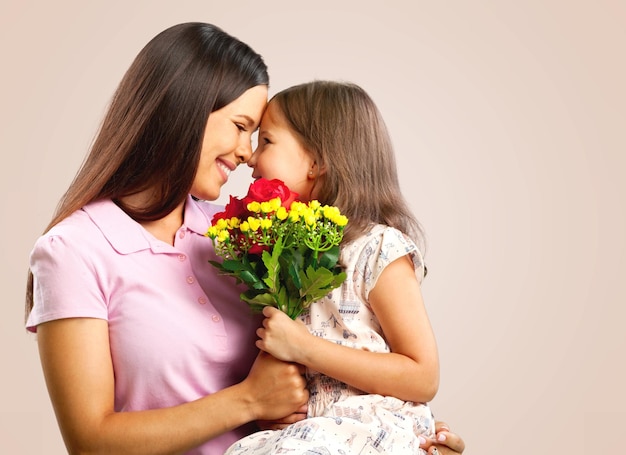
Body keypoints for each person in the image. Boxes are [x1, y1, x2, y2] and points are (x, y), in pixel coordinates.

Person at [24, 22, 465, 455]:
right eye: (240, 126)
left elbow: (341, 356)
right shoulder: (73, 251)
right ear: (186, 110)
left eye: (257, 137)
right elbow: (90, 442)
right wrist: (248, 401)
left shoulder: (246, 235)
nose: (245, 154)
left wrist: (400, 433)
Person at [224, 80, 448, 455]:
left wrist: (305, 348)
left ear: (316, 162)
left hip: (370, 427)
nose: (250, 157)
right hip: (311, 432)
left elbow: (423, 377)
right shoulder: (288, 253)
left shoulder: (378, 248)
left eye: (267, 142)